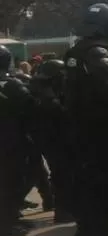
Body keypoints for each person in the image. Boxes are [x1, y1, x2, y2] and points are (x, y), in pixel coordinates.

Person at [63, 3, 108, 236]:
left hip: (78, 128)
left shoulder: (74, 51)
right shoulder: (97, 53)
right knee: (101, 188)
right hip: (98, 132)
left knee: (86, 186)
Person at [27, 59, 73, 223]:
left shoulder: (36, 89)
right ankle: (63, 211)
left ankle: (61, 208)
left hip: (44, 140)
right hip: (56, 140)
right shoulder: (49, 96)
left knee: (57, 174)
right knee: (63, 175)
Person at [0, 45, 35, 236]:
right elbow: (30, 111)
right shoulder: (14, 85)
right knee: (11, 184)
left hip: (10, 141)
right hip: (12, 143)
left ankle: (11, 219)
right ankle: (6, 225)